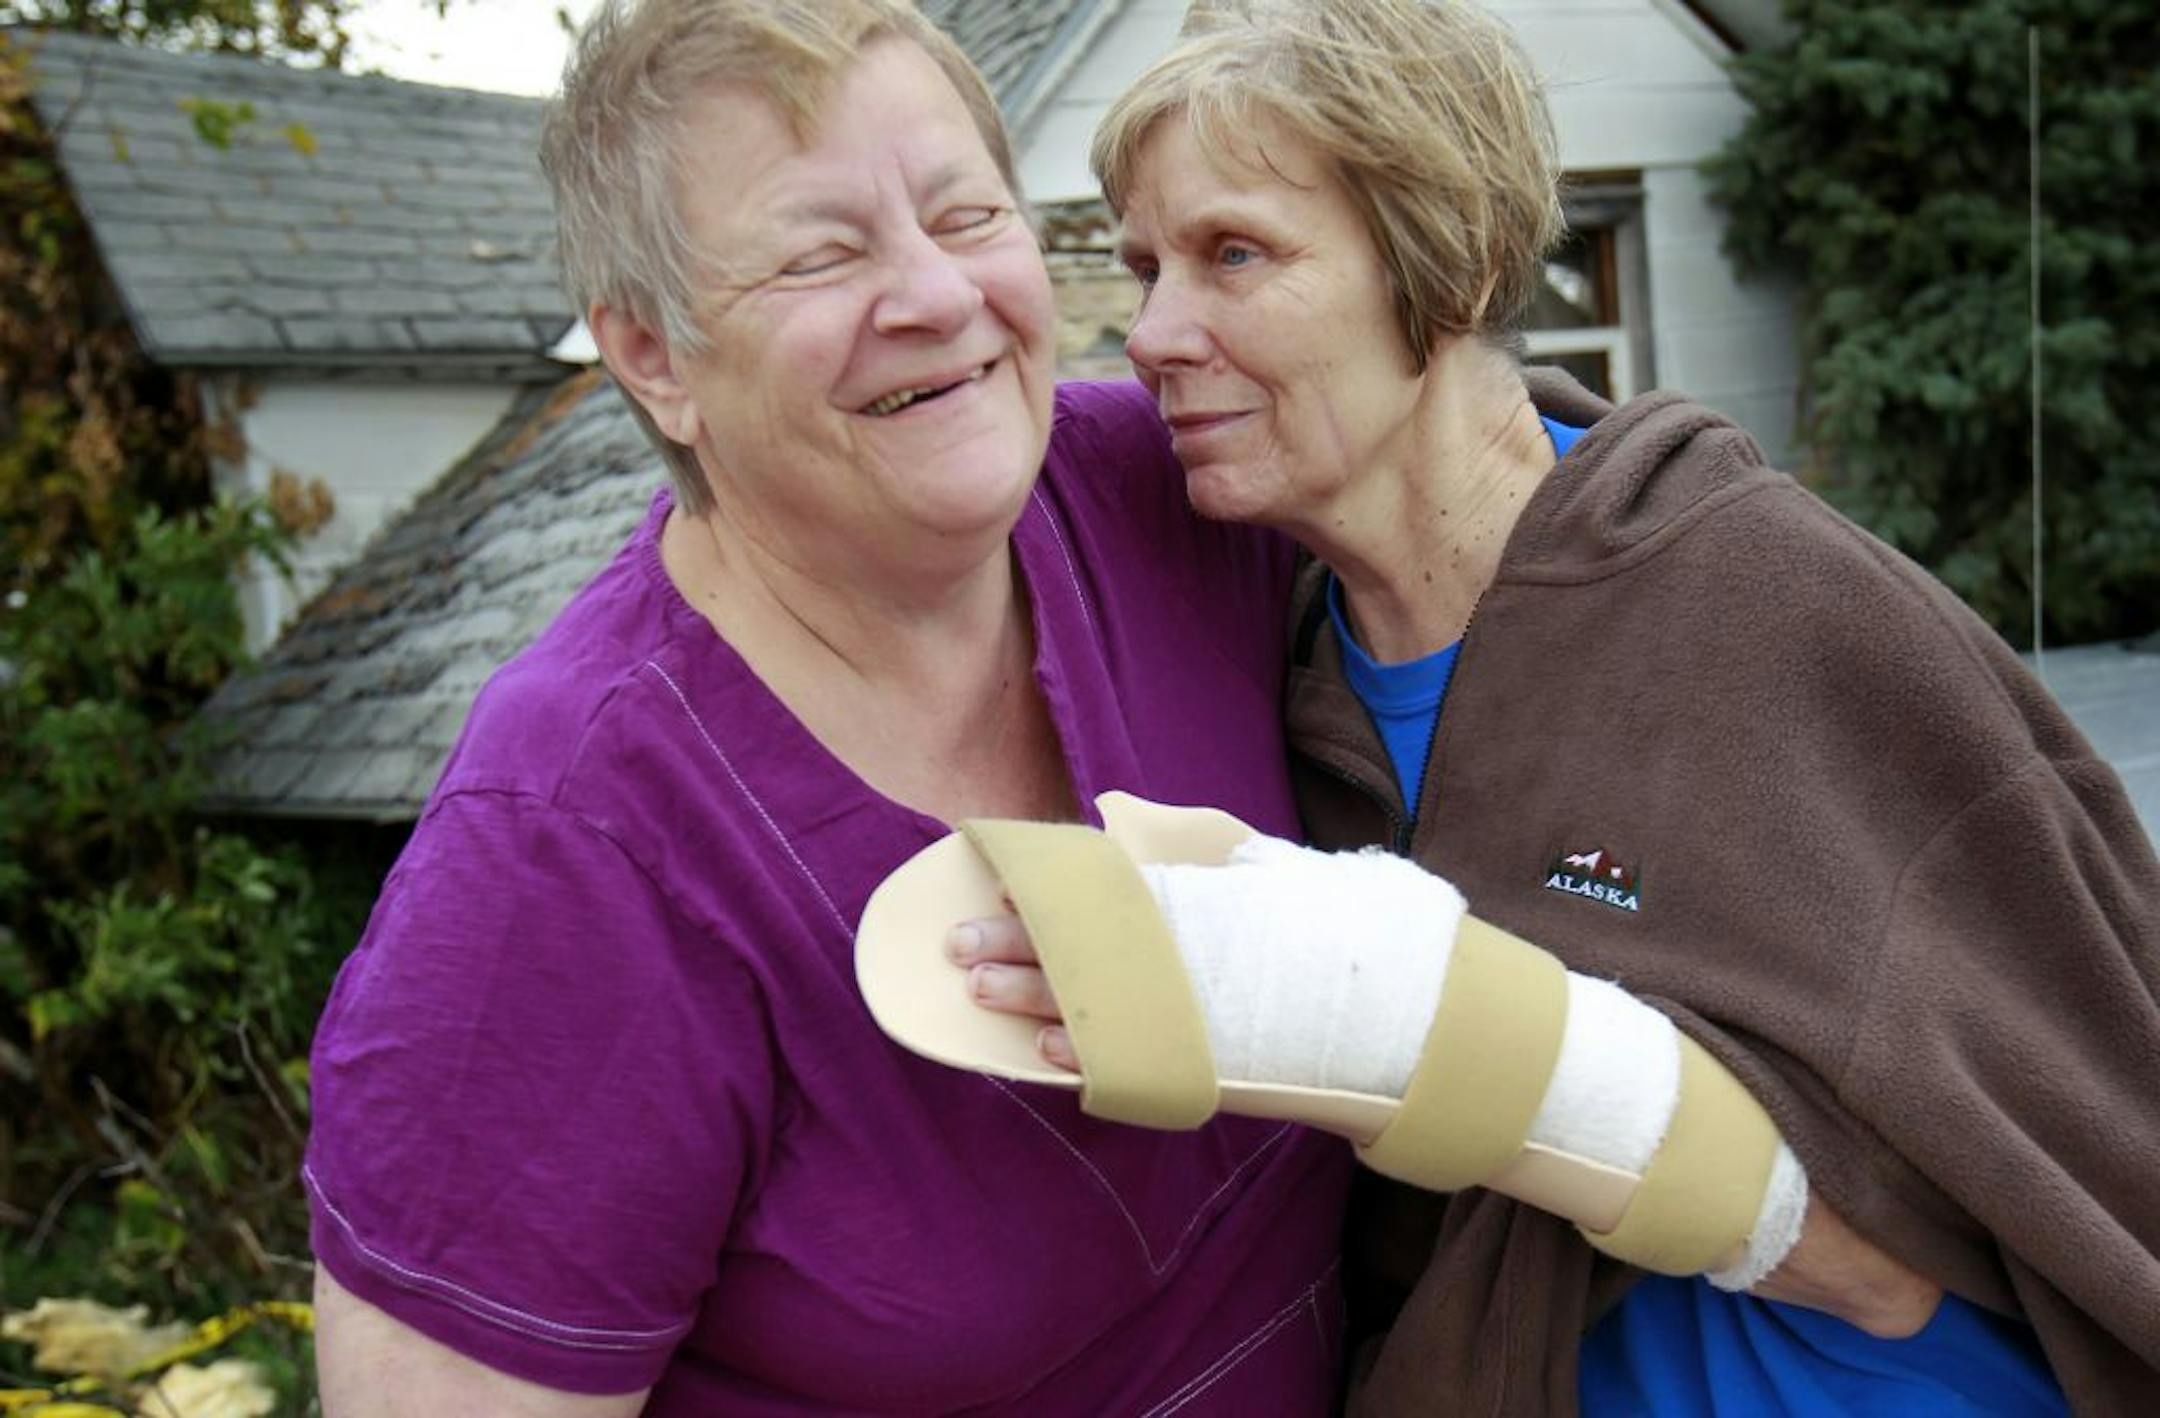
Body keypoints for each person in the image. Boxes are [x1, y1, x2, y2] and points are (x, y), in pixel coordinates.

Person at [950, 0, 2160, 1412]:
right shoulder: (1280, 671)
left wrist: (1830, 1260)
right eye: (1143, 265)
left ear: (1442, 266)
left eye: (1235, 255)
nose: (1154, 332)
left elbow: (2081, 1076)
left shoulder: (1775, 604)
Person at [301, 2, 1359, 1412]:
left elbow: (1504, 509)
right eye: (821, 252)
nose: (934, 294)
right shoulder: (563, 854)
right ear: (656, 360)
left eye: (966, 212)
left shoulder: (1172, 496)